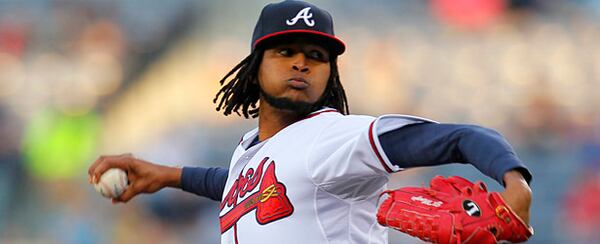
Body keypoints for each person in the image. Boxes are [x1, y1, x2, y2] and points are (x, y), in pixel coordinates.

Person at [88, 1, 533, 243]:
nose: (301, 63)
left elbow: (458, 137)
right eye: (286, 52)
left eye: (316, 57)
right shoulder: (252, 150)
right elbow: (238, 184)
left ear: (330, 73)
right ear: (254, 66)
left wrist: (515, 183)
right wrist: (166, 175)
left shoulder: (334, 136)